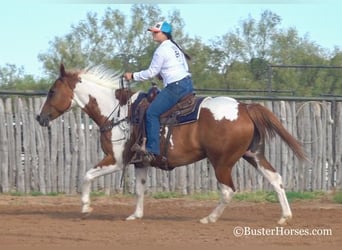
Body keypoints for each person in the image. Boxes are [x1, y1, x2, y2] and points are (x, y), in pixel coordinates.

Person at [124, 21, 193, 166]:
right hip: (187, 84)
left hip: (175, 87)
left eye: (156, 32)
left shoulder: (161, 50)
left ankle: (152, 149)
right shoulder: (175, 47)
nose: (153, 34)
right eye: (153, 32)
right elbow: (183, 67)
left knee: (151, 113)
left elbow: (151, 72)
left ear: (164, 34)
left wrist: (133, 76)